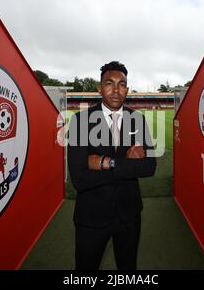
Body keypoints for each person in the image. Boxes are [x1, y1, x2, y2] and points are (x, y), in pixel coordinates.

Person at [68, 61, 156, 270]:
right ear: (100, 88)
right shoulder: (80, 121)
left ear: (127, 88)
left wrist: (106, 163)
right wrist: (127, 164)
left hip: (129, 215)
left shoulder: (138, 120)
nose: (116, 90)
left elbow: (149, 167)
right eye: (109, 83)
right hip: (91, 217)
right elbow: (79, 180)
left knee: (128, 269)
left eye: (122, 84)